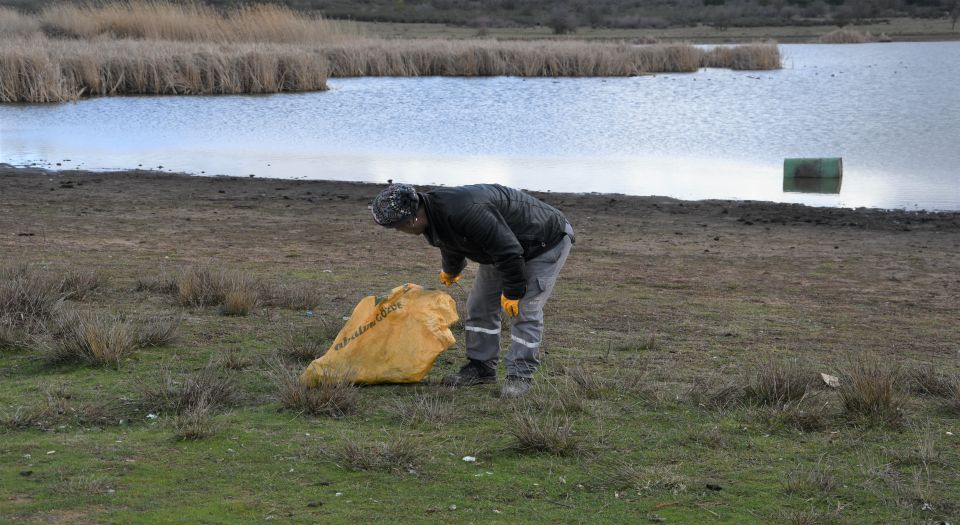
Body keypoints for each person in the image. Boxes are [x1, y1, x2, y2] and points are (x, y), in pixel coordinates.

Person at [371, 183, 574, 398]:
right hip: (501, 247)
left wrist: (513, 293)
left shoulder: (466, 211)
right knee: (480, 305)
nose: (399, 231)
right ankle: (481, 367)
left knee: (523, 311)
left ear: (412, 218)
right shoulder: (432, 211)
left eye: (397, 227)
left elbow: (509, 251)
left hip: (543, 242)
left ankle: (519, 376)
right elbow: (450, 240)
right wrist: (451, 269)